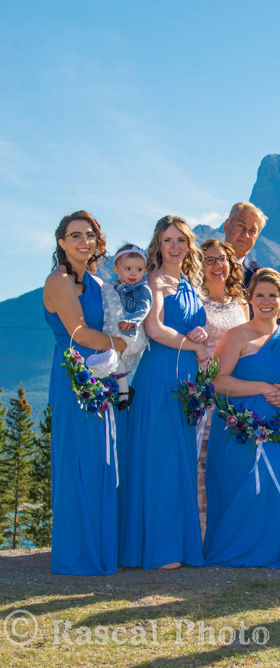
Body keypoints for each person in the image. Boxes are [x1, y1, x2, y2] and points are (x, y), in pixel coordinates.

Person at [204, 269, 280, 568]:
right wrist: (262, 387)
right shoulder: (236, 336)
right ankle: (242, 544)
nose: (266, 301)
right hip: (239, 426)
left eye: (273, 296)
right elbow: (217, 383)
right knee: (274, 455)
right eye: (260, 296)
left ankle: (278, 543)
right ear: (250, 299)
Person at [118, 216, 208, 570]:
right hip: (161, 375)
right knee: (160, 459)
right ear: (158, 243)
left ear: (188, 245)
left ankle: (177, 543)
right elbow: (154, 328)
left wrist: (199, 333)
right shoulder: (152, 280)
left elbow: (185, 323)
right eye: (168, 240)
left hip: (186, 376)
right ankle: (157, 547)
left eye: (180, 240)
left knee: (180, 459)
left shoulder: (188, 282)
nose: (174, 246)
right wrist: (195, 347)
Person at [43, 211, 126, 575]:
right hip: (74, 375)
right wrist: (125, 344)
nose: (83, 241)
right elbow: (77, 332)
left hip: (103, 373)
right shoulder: (59, 280)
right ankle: (77, 554)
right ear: (62, 242)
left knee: (100, 459)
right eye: (74, 235)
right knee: (77, 459)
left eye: (89, 234)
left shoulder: (98, 282)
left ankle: (101, 547)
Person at [196, 239, 249, 532]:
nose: (218, 266)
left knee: (229, 458)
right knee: (202, 459)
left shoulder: (241, 303)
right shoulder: (194, 299)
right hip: (204, 386)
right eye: (210, 260)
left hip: (235, 388)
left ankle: (228, 528)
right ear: (200, 265)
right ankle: (201, 530)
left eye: (223, 259)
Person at [222, 201, 280, 331]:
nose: (245, 234)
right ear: (226, 226)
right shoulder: (198, 265)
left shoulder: (260, 275)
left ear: (257, 237)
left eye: (252, 231)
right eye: (240, 226)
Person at [101, 243, 152, 409]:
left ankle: (122, 392)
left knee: (115, 360)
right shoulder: (115, 288)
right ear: (116, 269)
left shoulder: (142, 289)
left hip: (130, 332)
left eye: (139, 270)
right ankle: (121, 391)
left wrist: (133, 320)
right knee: (113, 361)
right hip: (116, 330)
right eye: (128, 268)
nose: (133, 274)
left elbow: (144, 307)